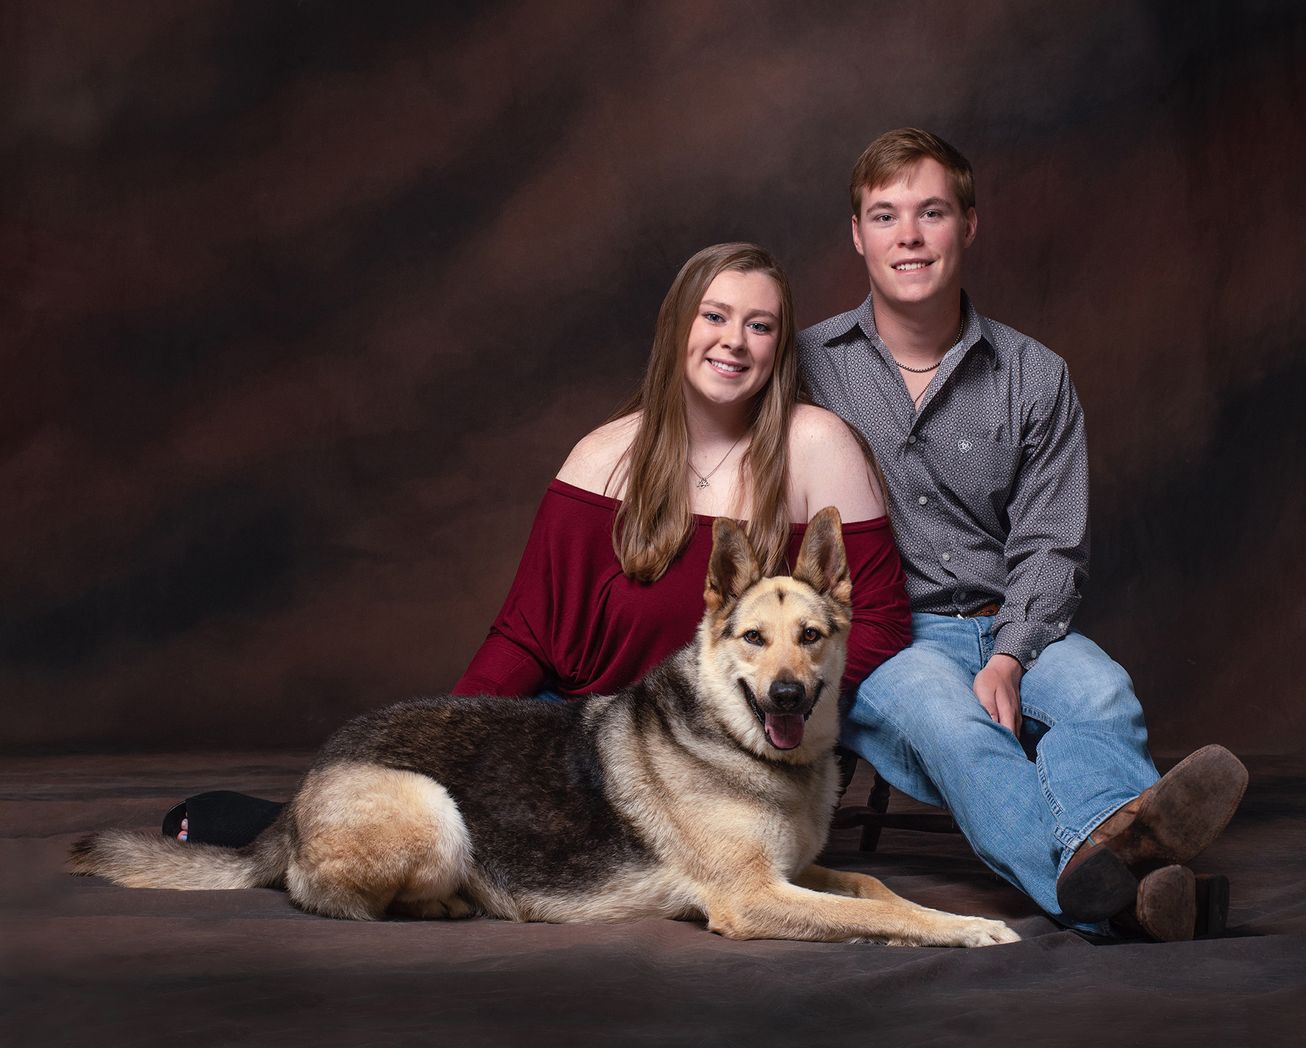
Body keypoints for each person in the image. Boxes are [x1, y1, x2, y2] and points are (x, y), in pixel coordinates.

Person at [166, 243, 913, 847]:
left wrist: (787, 706)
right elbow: (528, 633)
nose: (734, 341)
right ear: (676, 326)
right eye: (714, 315)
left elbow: (879, 620)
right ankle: (312, 819)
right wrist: (440, 743)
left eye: (761, 325)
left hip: (745, 743)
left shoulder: (815, 444)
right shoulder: (602, 457)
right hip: (587, 738)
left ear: (781, 346)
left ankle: (309, 824)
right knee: (427, 811)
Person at [798, 128, 1247, 942]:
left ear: (968, 226)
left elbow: (1049, 543)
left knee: (1100, 695)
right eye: (886, 215)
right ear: (857, 234)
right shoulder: (809, 367)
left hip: (1017, 621)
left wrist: (1009, 655)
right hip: (888, 636)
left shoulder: (1033, 375)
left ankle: (1121, 884)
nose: (909, 235)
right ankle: (1135, 893)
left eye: (931, 212)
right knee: (952, 725)